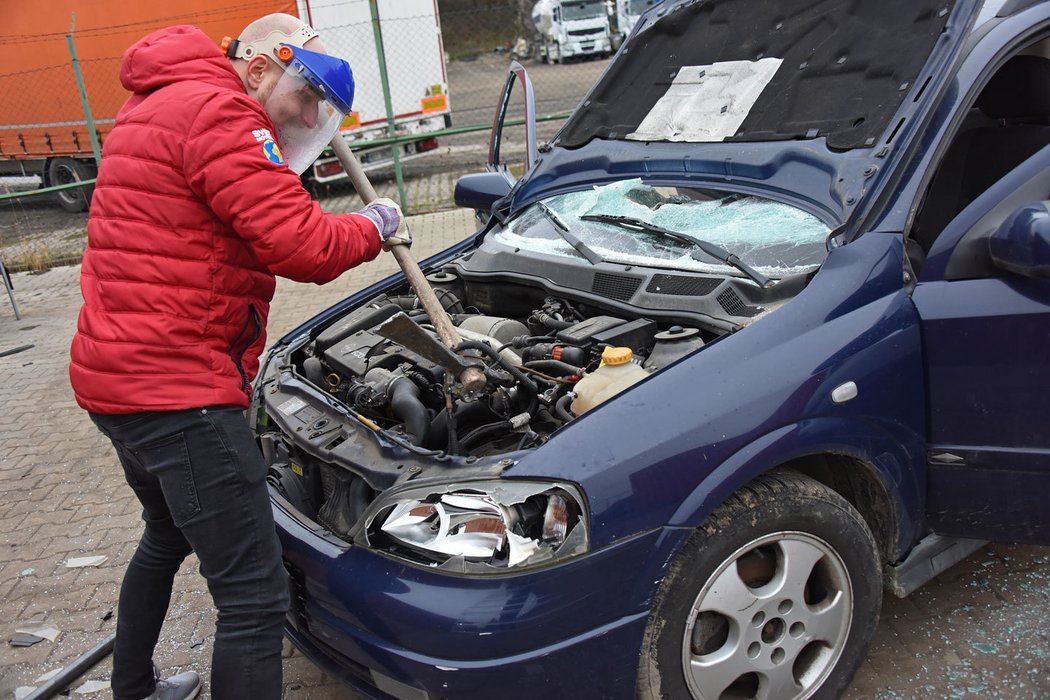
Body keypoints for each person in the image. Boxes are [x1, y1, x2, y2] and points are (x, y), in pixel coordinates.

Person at [68, 13, 409, 700]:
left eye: (319, 109)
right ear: (259, 70)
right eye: (304, 98)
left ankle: (132, 687)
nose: (308, 116)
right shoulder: (222, 113)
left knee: (164, 538)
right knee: (254, 596)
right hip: (176, 393)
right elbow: (303, 245)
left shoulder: (157, 101)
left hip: (116, 379)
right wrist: (374, 224)